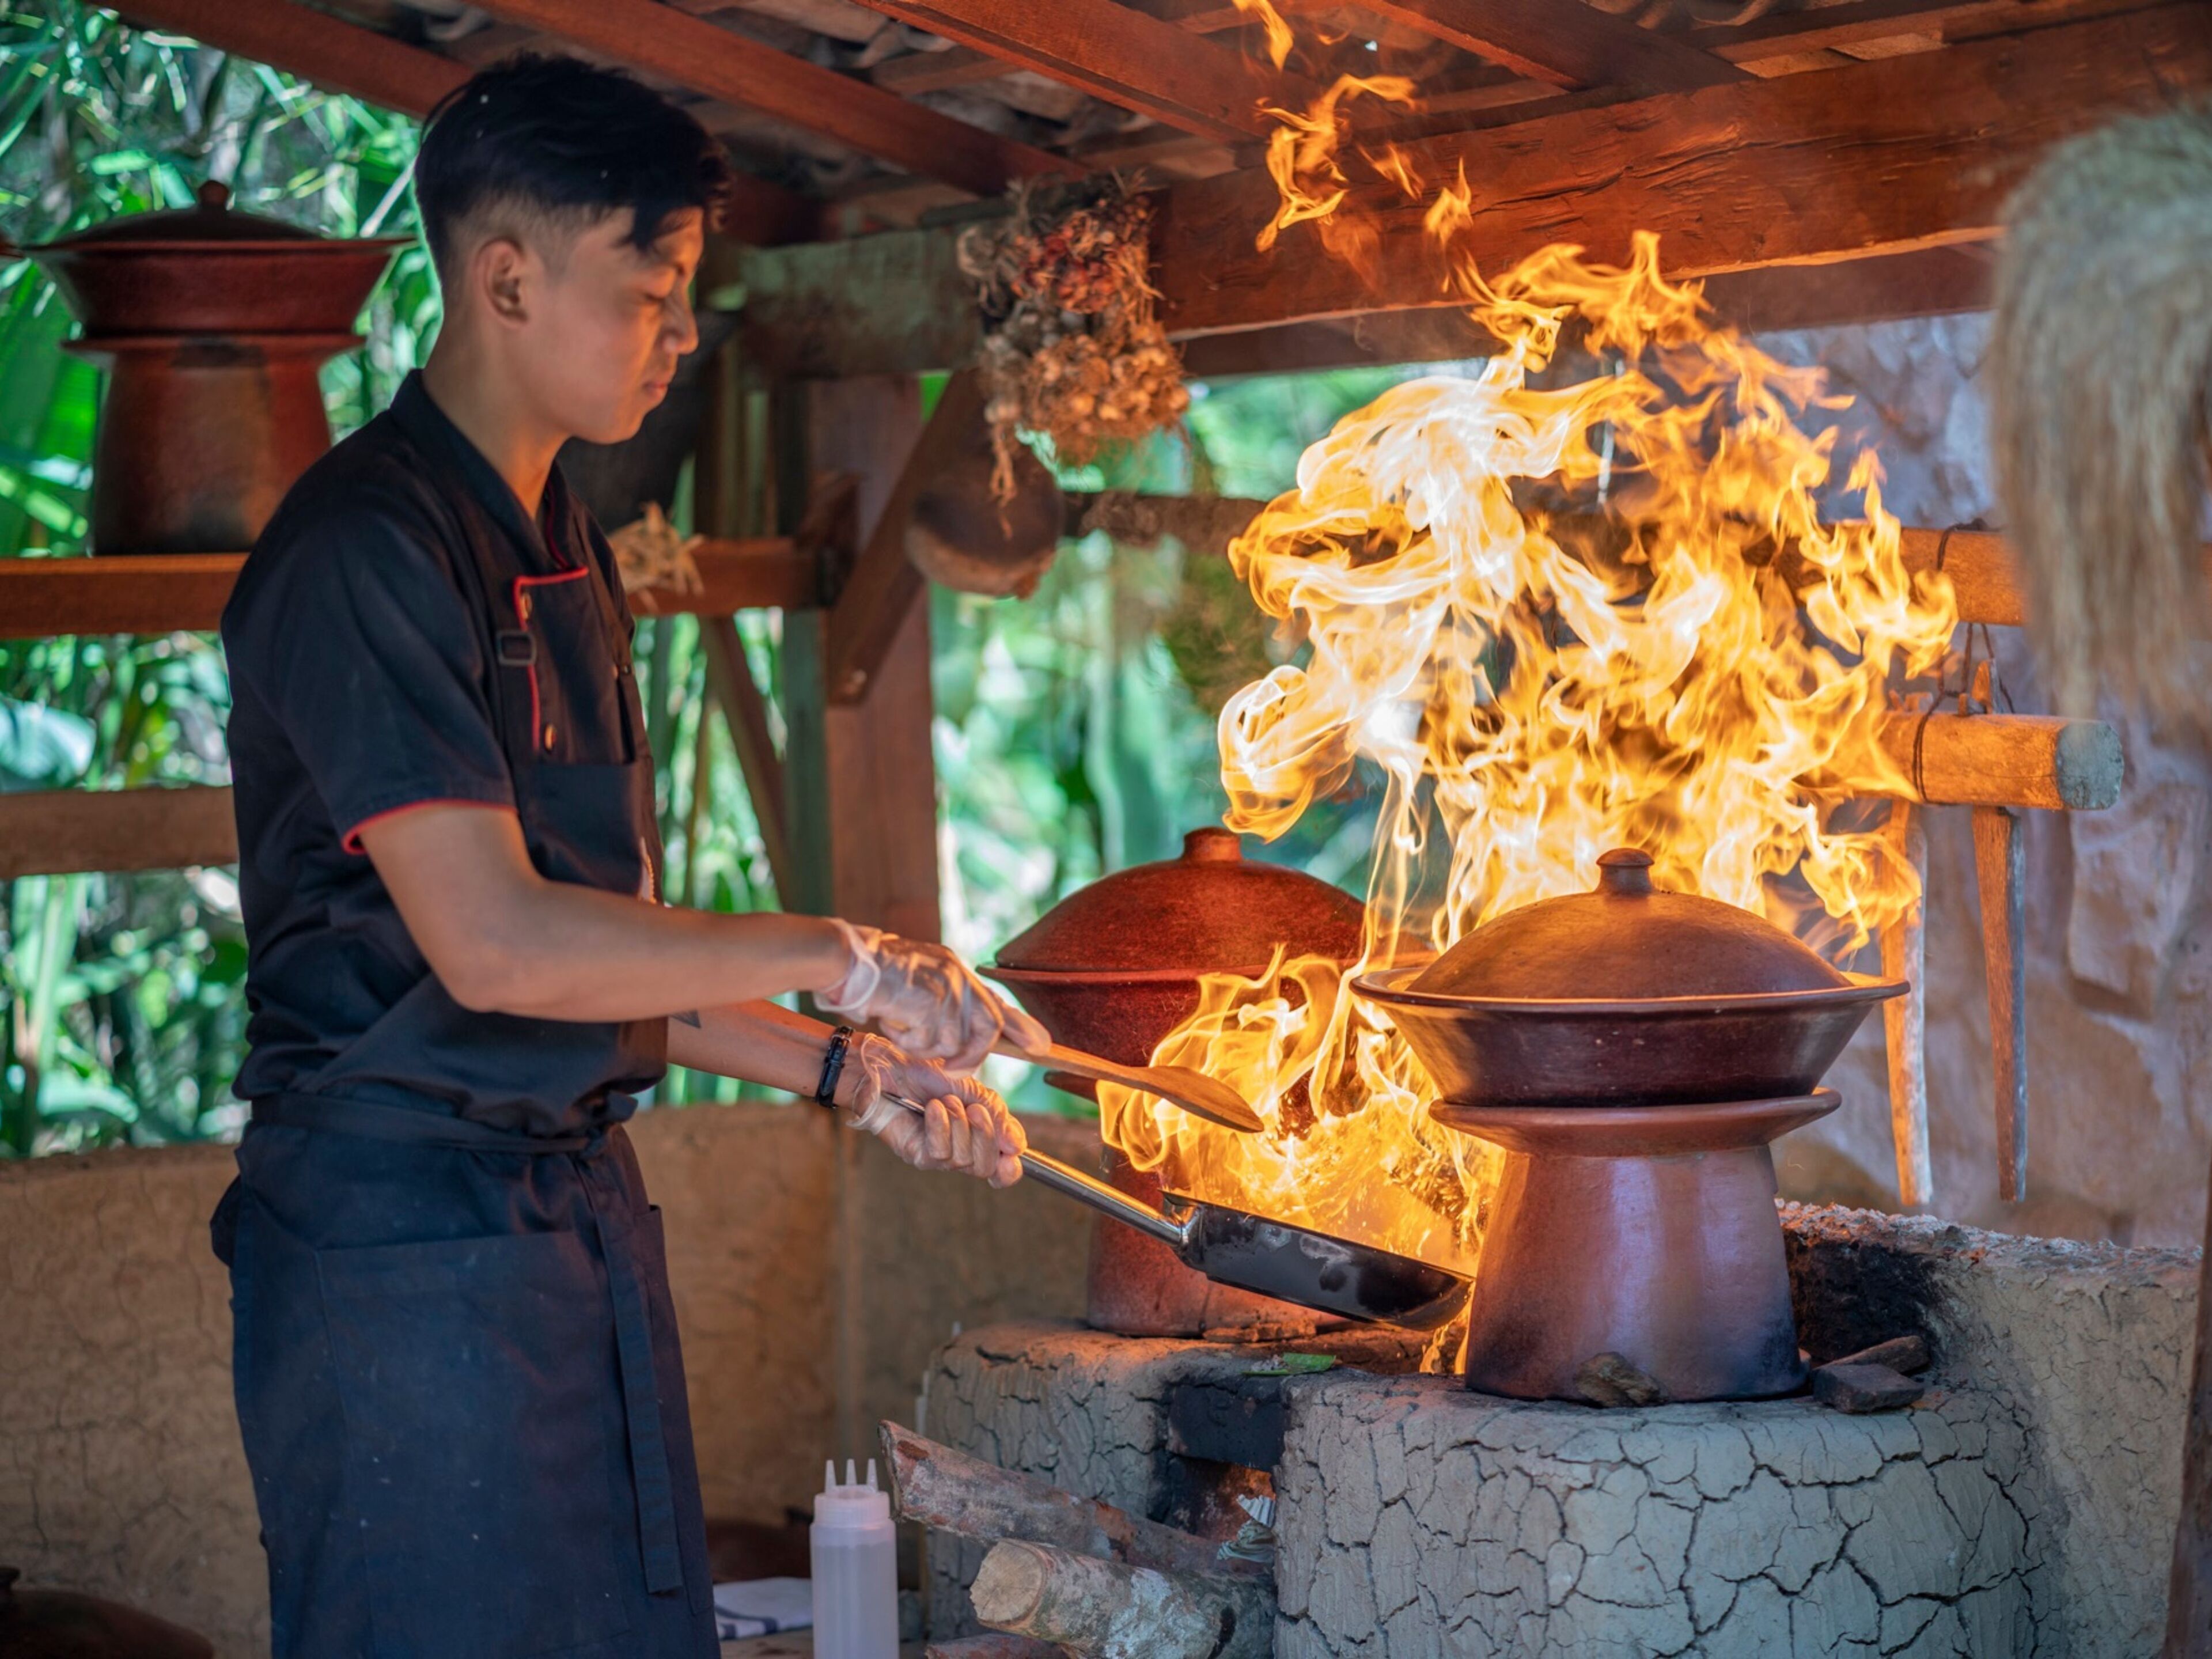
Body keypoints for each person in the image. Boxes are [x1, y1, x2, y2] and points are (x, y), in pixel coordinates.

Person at [209, 54, 1046, 1658]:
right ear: (506, 280)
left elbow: (607, 951)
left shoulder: (564, 543)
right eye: (650, 293)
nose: (681, 336)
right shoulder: (366, 546)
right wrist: (844, 956)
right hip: (403, 1251)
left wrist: (853, 1073)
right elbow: (501, 947)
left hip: (565, 1229)